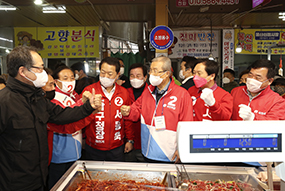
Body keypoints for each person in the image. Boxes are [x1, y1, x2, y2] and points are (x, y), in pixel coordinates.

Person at [0, 46, 101, 191]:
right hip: (13, 184)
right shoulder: (4, 102)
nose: (44, 74)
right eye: (39, 69)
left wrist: (88, 107)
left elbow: (63, 115)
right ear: (22, 71)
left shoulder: (37, 99)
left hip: (39, 178)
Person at [120, 56, 193, 163]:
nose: (151, 74)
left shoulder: (182, 94)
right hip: (148, 151)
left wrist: (182, 148)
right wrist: (128, 111)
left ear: (167, 73)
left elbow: (187, 123)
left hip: (169, 154)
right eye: (151, 71)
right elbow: (136, 110)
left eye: (156, 71)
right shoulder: (148, 92)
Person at [47, 65, 92, 189]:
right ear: (56, 81)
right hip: (60, 154)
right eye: (65, 78)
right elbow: (65, 117)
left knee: (74, 185)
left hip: (75, 150)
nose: (70, 81)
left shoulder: (74, 95)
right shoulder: (53, 97)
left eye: (72, 78)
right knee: (58, 184)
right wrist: (83, 104)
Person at [81, 57, 134, 162]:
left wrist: (130, 140)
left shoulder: (124, 93)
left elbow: (127, 118)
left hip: (117, 146)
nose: (105, 76)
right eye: (102, 72)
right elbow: (80, 116)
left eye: (110, 74)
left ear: (117, 75)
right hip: (94, 146)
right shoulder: (89, 91)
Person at [125, 63, 148, 162]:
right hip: (129, 141)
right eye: (132, 76)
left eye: (138, 76)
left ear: (145, 77)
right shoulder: (125, 93)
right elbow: (126, 119)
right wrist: (130, 139)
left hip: (148, 141)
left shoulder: (152, 93)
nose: (135, 78)